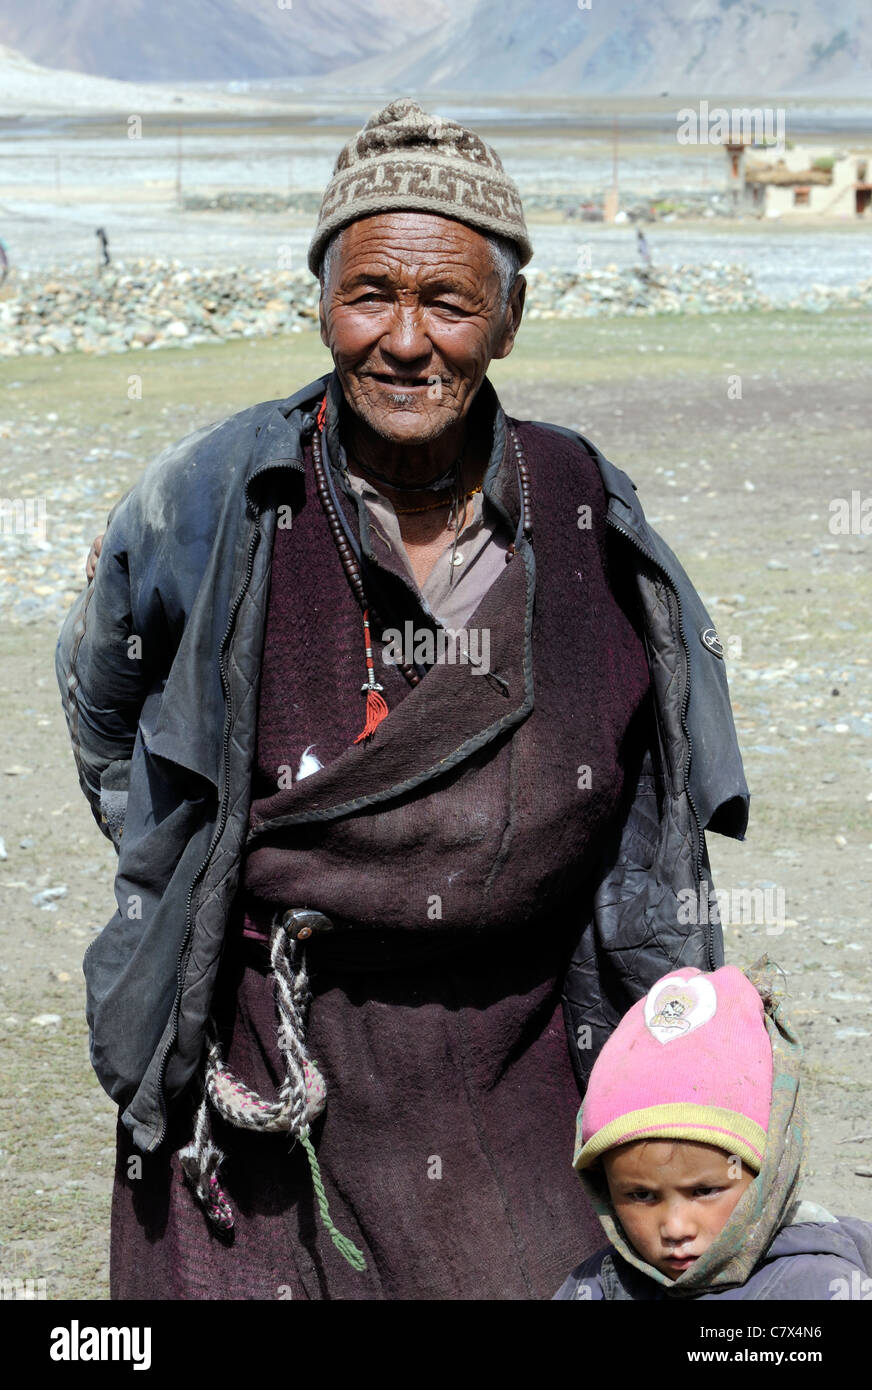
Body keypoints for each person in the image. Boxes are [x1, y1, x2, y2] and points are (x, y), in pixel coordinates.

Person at [56, 98, 749, 1301]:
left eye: (448, 301)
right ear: (320, 300)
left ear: (510, 319)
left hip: (512, 1046)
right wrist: (196, 863)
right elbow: (103, 700)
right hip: (265, 1047)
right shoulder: (213, 498)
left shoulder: (581, 502)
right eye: (369, 292)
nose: (404, 340)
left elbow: (657, 768)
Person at [553, 961, 872, 1300]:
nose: (676, 1229)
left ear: (769, 1180)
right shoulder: (598, 1286)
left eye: (704, 1191)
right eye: (642, 1195)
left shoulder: (822, 1284)